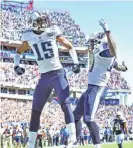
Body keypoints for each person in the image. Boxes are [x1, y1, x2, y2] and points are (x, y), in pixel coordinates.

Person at [13, 11, 80, 148]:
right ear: (33, 23)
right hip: (44, 77)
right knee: (35, 110)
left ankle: (73, 139)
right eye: (39, 21)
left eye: (43, 21)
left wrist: (76, 62)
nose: (43, 23)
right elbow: (19, 51)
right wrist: (16, 65)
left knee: (65, 103)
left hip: (58, 73)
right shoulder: (29, 36)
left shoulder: (52, 31)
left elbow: (69, 46)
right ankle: (31, 144)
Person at [73, 19, 128, 148]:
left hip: (98, 87)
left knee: (88, 119)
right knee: (75, 116)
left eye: (92, 42)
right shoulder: (100, 54)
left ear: (99, 41)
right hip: (90, 88)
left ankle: (97, 146)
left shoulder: (104, 51)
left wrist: (107, 32)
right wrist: (123, 68)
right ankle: (74, 143)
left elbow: (113, 51)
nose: (90, 45)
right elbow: (116, 66)